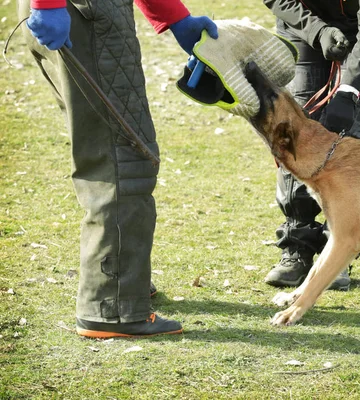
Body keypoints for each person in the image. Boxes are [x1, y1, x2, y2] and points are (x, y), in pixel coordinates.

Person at [19, 0, 218, 338]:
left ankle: (122, 279)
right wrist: (47, 4)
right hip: (83, 13)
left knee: (102, 144)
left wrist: (174, 17)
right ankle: (114, 305)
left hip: (73, 12)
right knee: (122, 155)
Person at [262, 0, 360, 290]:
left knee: (347, 127)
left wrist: (349, 90)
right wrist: (317, 31)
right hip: (303, 20)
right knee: (296, 130)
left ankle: (339, 250)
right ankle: (297, 243)